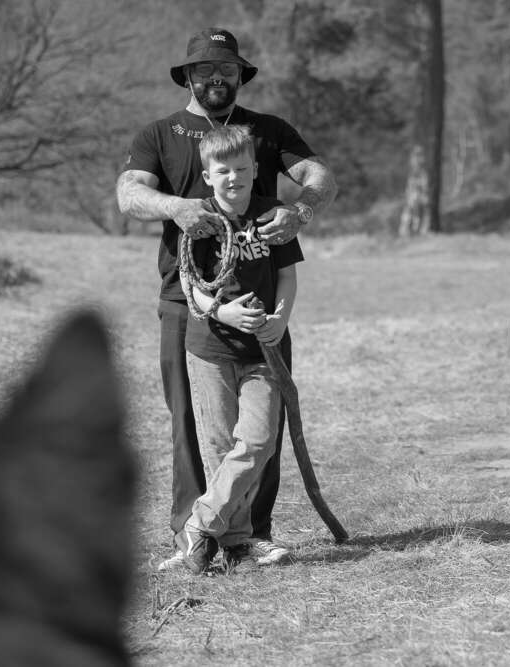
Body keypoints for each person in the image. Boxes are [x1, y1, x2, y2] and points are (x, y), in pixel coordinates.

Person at [116, 27, 337, 569]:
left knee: (262, 429)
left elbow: (320, 176)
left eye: (227, 69)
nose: (217, 77)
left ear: (240, 75)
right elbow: (128, 193)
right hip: (183, 298)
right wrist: (175, 207)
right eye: (206, 70)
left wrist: (301, 210)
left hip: (259, 302)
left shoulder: (267, 130)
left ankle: (250, 535)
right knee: (192, 425)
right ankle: (192, 535)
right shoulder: (160, 133)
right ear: (188, 77)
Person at [179, 124, 303, 573]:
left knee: (258, 439)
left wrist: (280, 319)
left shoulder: (272, 216)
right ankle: (235, 544)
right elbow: (189, 284)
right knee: (218, 446)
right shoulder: (199, 220)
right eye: (223, 170)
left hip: (263, 351)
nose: (233, 177)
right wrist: (223, 312)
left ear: (254, 169)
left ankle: (199, 523)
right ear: (207, 175)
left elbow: (287, 275)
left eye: (241, 168)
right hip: (210, 349)